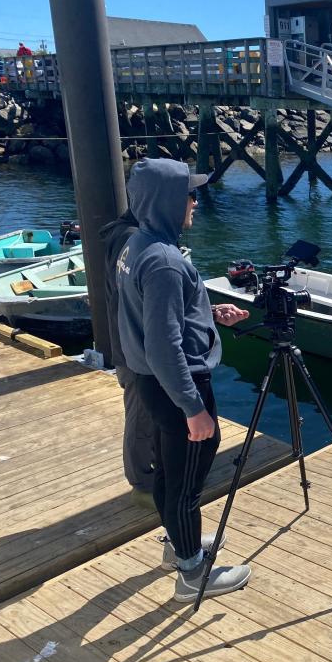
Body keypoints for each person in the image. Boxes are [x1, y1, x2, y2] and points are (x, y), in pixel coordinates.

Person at [116, 158, 251, 603]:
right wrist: (193, 407)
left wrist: (207, 314)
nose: (195, 201)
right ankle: (193, 573)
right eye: (188, 194)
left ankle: (179, 547)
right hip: (178, 384)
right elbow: (163, 344)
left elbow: (149, 319)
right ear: (169, 201)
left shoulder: (136, 245)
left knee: (168, 475)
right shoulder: (166, 261)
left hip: (152, 383)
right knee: (187, 483)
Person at [101, 206, 156, 509]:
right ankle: (141, 483)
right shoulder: (134, 239)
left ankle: (149, 475)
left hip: (126, 342)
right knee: (139, 415)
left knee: (145, 413)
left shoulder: (121, 233)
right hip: (134, 348)